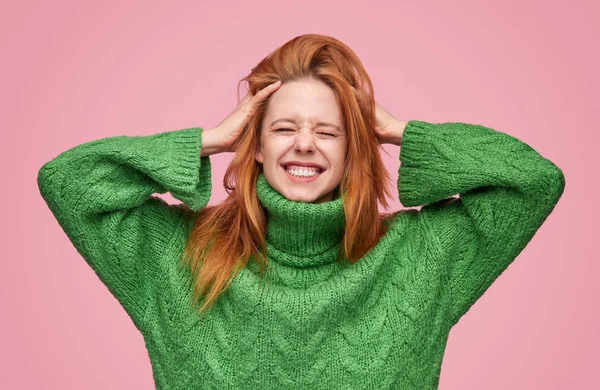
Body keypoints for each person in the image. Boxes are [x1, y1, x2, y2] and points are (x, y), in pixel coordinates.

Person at [37, 34, 565, 389]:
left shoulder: (422, 257)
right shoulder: (177, 257)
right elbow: (68, 182)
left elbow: (533, 181)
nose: (306, 144)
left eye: (330, 132)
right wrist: (208, 140)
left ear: (352, 150)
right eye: (285, 128)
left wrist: (395, 129)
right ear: (256, 145)